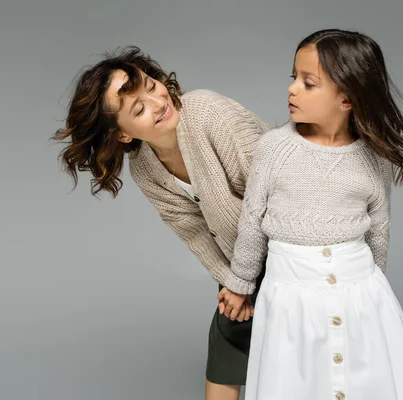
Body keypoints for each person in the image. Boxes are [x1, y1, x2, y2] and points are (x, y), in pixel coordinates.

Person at [218, 29, 403, 400]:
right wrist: (240, 284)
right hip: (290, 296)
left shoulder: (373, 157)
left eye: (309, 83)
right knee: (295, 380)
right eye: (294, 78)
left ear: (347, 98)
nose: (292, 89)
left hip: (361, 292)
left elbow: (379, 228)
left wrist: (375, 292)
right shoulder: (274, 148)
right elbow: (252, 221)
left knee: (369, 380)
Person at [53, 46, 269, 400]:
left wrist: (245, 281)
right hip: (241, 270)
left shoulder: (208, 114)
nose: (157, 103)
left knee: (295, 355)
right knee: (228, 337)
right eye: (138, 108)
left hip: (298, 251)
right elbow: (196, 234)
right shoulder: (146, 168)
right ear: (122, 134)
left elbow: (276, 200)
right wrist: (233, 286)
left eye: (151, 86)